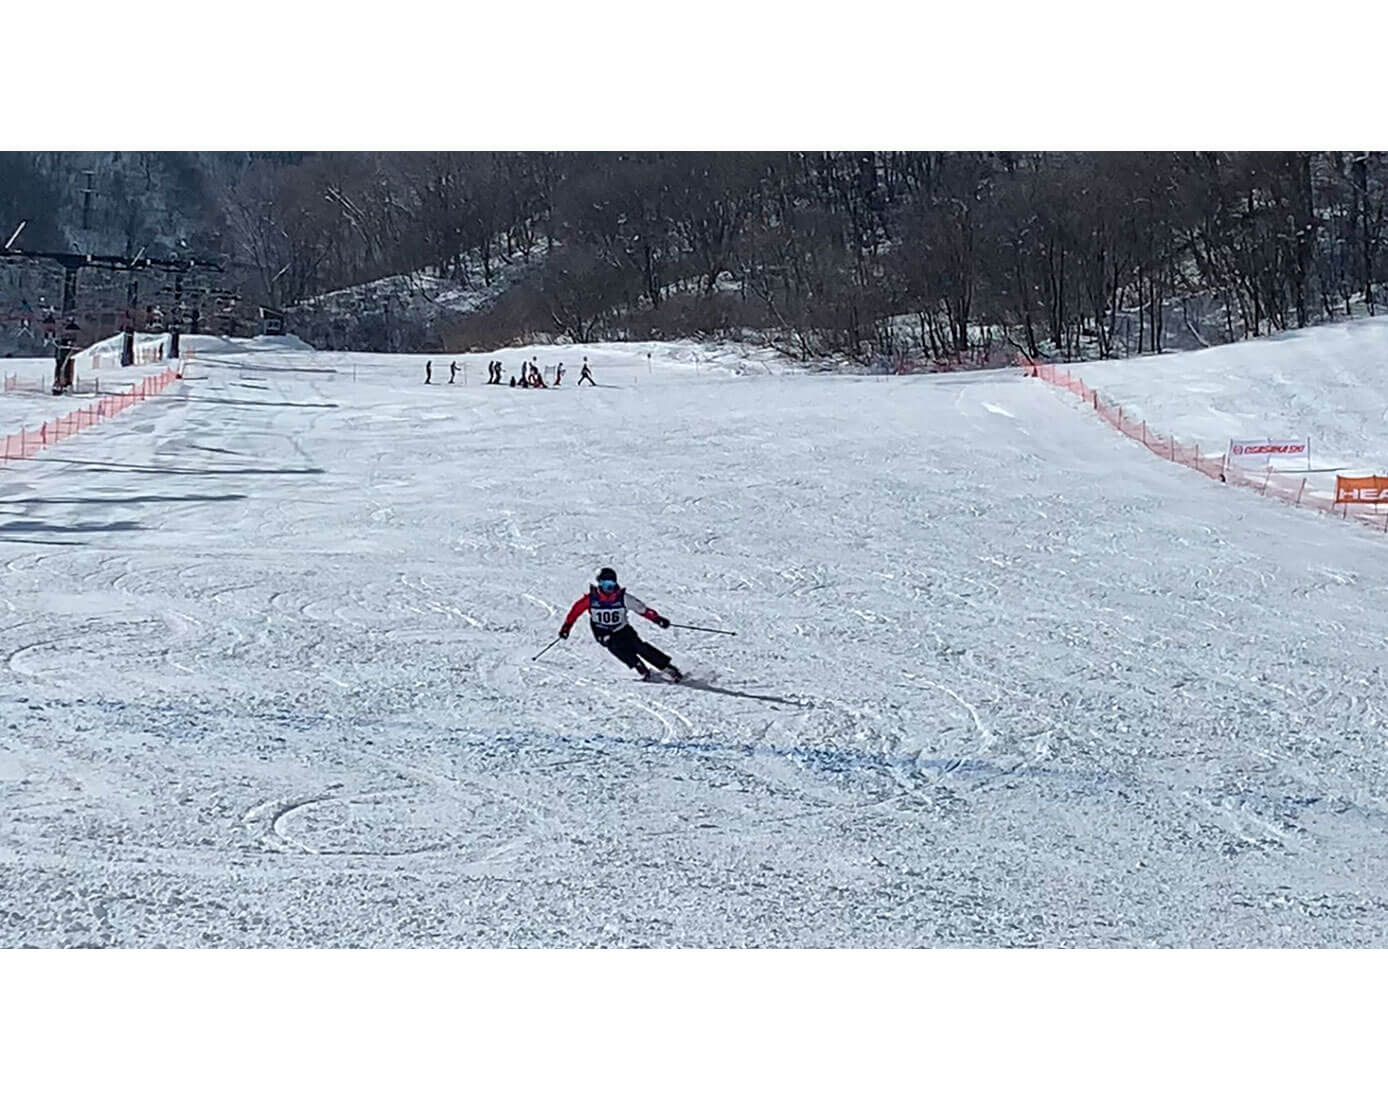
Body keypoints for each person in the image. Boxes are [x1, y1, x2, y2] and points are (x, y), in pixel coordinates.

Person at [557, 567, 682, 682]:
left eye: (611, 585)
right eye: (605, 585)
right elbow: (575, 612)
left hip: (621, 628)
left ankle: (668, 668)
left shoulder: (622, 598)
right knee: (615, 646)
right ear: (599, 584)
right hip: (602, 630)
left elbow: (642, 609)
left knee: (639, 646)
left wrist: (657, 619)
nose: (609, 589)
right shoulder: (591, 599)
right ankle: (639, 667)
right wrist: (566, 628)